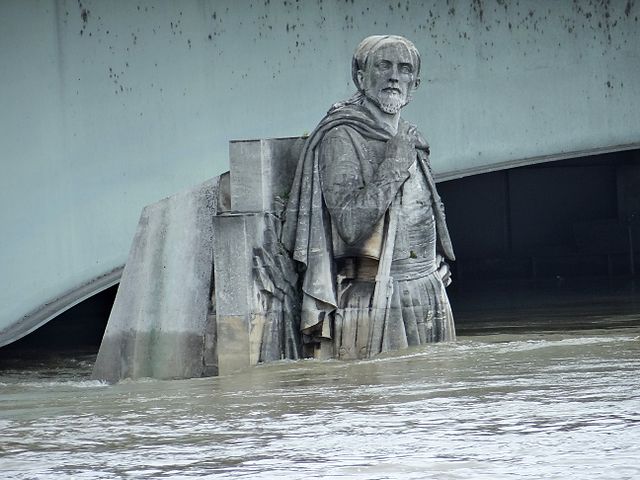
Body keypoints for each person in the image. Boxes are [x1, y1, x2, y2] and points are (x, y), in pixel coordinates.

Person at [282, 35, 455, 359]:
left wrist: (435, 261)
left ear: (414, 84)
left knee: (436, 401)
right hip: (374, 298)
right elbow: (349, 223)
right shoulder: (342, 137)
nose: (394, 76)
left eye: (404, 69)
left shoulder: (410, 137)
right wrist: (395, 162)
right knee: (377, 401)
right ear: (360, 76)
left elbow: (425, 208)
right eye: (384, 66)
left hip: (428, 291)